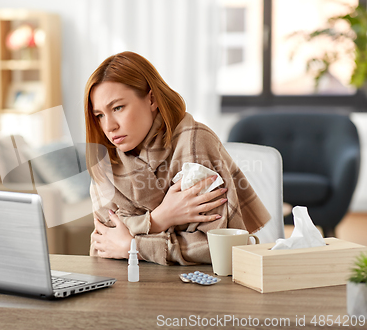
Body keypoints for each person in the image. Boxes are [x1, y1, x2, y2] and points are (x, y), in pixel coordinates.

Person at [84, 51, 270, 265]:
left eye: (118, 108)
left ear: (151, 99)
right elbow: (104, 242)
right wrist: (158, 220)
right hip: (121, 283)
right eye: (99, 115)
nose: (109, 126)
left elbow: (217, 247)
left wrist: (133, 246)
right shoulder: (105, 160)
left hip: (192, 288)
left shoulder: (194, 141)